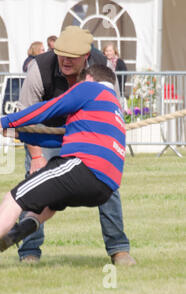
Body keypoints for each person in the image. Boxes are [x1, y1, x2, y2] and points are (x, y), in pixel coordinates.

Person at [0, 64, 127, 270]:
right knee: (46, 206)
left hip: (84, 167)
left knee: (15, 197)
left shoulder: (89, 88)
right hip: (106, 187)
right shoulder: (112, 107)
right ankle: (13, 235)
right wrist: (15, 133)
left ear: (89, 77)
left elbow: (47, 109)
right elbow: (59, 137)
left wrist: (4, 121)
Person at [15, 26, 135, 266]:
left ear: (86, 56)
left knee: (108, 186)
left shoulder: (102, 67)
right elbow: (25, 117)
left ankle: (118, 249)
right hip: (45, 134)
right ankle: (29, 251)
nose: (65, 60)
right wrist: (37, 158)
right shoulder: (39, 68)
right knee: (33, 186)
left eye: (72, 55)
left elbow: (112, 111)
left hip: (88, 135)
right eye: (61, 53)